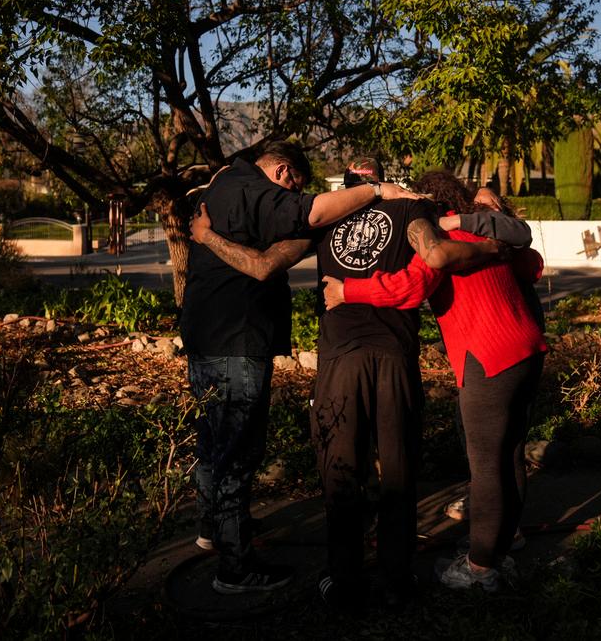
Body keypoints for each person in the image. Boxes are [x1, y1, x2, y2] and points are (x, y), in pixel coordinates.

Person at [181, 143, 420, 595]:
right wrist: (377, 191)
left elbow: (265, 256)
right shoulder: (256, 191)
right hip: (239, 338)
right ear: (282, 171)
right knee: (238, 450)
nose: (295, 197)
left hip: (206, 334)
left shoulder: (220, 186)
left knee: (214, 441)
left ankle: (215, 529)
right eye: (295, 186)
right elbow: (286, 240)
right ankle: (234, 568)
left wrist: (207, 237)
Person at [323, 170, 547, 593]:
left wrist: (346, 292)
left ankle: (480, 568)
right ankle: (504, 538)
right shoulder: (485, 234)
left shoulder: (439, 240)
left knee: (486, 468)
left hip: (487, 358)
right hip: (527, 350)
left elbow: (408, 288)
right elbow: (531, 265)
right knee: (511, 453)